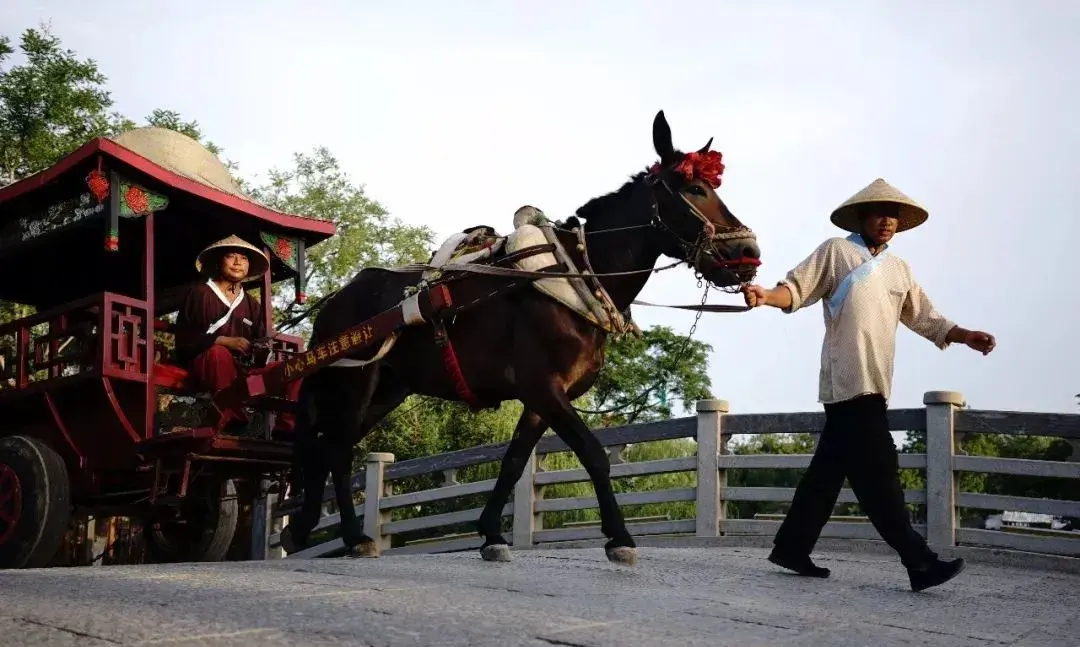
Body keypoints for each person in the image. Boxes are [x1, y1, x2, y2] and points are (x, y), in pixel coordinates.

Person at [742, 178, 996, 592]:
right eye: (879, 213)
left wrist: (964, 335)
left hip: (877, 384)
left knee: (827, 474)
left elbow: (924, 316)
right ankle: (920, 563)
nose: (887, 221)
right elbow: (796, 289)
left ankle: (791, 547)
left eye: (893, 215)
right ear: (861, 216)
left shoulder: (899, 269)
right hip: (847, 380)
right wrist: (765, 296)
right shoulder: (836, 251)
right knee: (881, 478)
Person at [174, 234, 301, 434]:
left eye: (243, 258)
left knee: (296, 367)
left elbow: (259, 352)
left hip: (242, 374)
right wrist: (223, 341)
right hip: (206, 364)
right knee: (218, 353)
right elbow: (184, 339)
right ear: (218, 262)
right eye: (231, 256)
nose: (237, 262)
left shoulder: (252, 305)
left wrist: (260, 349)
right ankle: (232, 417)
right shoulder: (199, 293)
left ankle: (287, 427)